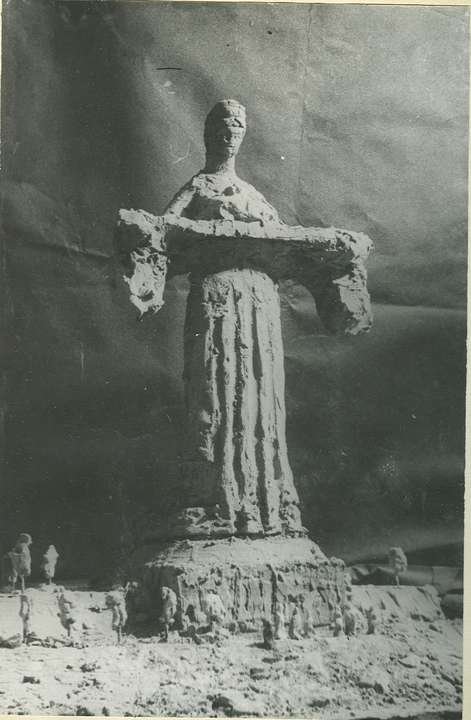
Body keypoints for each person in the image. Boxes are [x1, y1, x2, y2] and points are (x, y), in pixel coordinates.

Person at [163, 99, 305, 538]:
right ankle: (215, 503)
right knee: (214, 392)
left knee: (262, 398)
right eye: (223, 124)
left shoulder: (253, 194)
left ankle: (268, 510)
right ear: (209, 132)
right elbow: (163, 230)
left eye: (238, 125)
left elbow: (281, 236)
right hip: (218, 296)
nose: (230, 132)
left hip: (260, 302)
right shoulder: (198, 186)